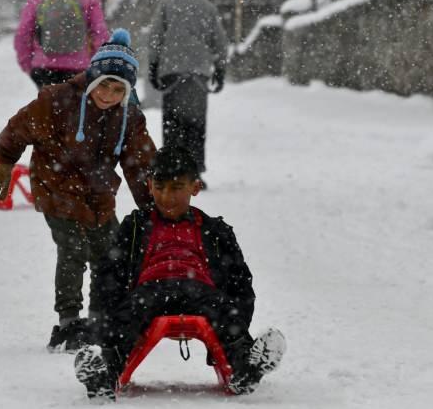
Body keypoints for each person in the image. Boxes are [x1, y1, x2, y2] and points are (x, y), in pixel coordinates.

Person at [0, 29, 156, 353]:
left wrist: (154, 207)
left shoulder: (128, 116)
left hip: (97, 192)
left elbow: (140, 165)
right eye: (103, 85)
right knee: (73, 249)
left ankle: (102, 318)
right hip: (55, 184)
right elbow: (17, 129)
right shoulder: (57, 100)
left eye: (118, 89)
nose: (108, 94)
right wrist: (4, 161)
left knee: (112, 253)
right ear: (92, 79)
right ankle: (69, 322)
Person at [73, 146, 286, 400]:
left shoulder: (215, 230)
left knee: (223, 311)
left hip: (199, 290)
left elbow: (240, 281)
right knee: (127, 315)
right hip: (150, 291)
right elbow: (108, 275)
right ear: (150, 186)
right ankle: (105, 372)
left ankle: (244, 366)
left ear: (194, 188)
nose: (167, 196)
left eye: (176, 188)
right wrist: (102, 327)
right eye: (160, 187)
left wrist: (239, 320)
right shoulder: (135, 227)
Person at [148, 0, 228, 189]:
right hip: (198, 75)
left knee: (172, 123)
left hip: (172, 73)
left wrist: (153, 65)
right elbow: (219, 41)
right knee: (196, 125)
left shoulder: (166, 4)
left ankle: (171, 170)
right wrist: (220, 69)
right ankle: (194, 172)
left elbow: (155, 37)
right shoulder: (207, 7)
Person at [15, 0, 109, 89]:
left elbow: (23, 31)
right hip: (79, 68)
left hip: (44, 68)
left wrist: (27, 65)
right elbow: (100, 32)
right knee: (76, 104)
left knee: (48, 103)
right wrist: (99, 64)